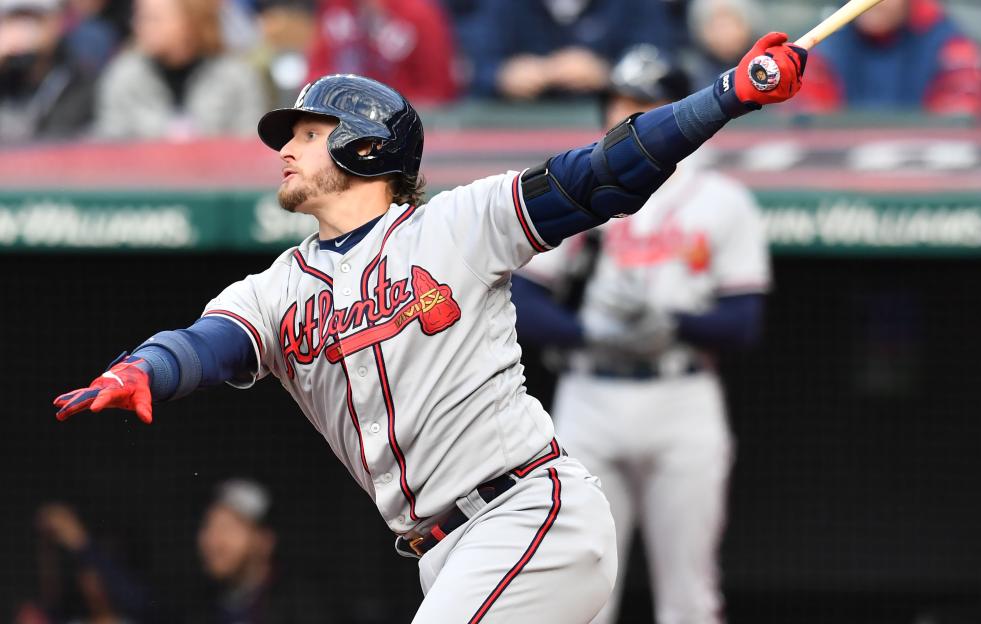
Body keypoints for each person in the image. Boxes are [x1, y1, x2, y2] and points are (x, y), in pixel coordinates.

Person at [53, 31, 807, 622]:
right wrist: (144, 368)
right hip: (442, 552)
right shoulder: (278, 289)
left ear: (365, 145)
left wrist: (725, 96)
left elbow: (599, 175)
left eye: (307, 135)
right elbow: (208, 344)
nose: (284, 149)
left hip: (526, 513)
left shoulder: (457, 224)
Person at [512, 46, 769, 624]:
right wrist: (588, 332)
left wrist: (673, 325)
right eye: (620, 101)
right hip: (590, 395)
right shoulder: (578, 185)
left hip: (681, 392)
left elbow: (745, 321)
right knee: (584, 589)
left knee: (690, 594)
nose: (626, 116)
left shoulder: (720, 199)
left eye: (645, 104)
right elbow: (521, 303)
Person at [93, 0, 267, 140]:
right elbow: (109, 143)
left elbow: (252, 143)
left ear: (191, 21)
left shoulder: (237, 77)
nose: (139, 26)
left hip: (221, 181)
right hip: (143, 180)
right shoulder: (124, 75)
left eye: (153, 18)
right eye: (139, 17)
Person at [796, 0, 981, 115]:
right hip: (842, 171)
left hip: (920, 169)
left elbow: (959, 120)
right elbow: (806, 123)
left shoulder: (948, 41)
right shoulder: (824, 39)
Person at [467, 0, 678, 99]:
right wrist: (503, 75)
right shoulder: (503, 6)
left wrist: (607, 74)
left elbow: (659, 65)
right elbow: (475, 66)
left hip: (606, 137)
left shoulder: (635, 6)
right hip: (517, 134)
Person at [189, 479, 328, 624]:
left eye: (227, 528)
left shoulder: (303, 606)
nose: (212, 540)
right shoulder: (194, 607)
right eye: (208, 526)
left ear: (266, 540)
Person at [14, 503, 153, 624]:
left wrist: (81, 542)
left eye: (97, 571)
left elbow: (138, 601)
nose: (90, 580)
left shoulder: (139, 613)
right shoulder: (69, 619)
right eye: (85, 572)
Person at [306, 0, 457, 105]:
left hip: (400, 126)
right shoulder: (335, 8)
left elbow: (438, 91)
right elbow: (315, 75)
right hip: (342, 117)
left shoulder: (419, 14)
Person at [0, 0, 97, 143]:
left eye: (34, 18)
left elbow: (59, 138)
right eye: (16, 18)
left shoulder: (77, 78)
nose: (23, 29)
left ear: (57, 22)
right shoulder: (4, 75)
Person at [684, 0, 759, 89]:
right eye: (718, 26)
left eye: (731, 23)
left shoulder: (763, 63)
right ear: (702, 32)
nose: (725, 34)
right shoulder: (692, 74)